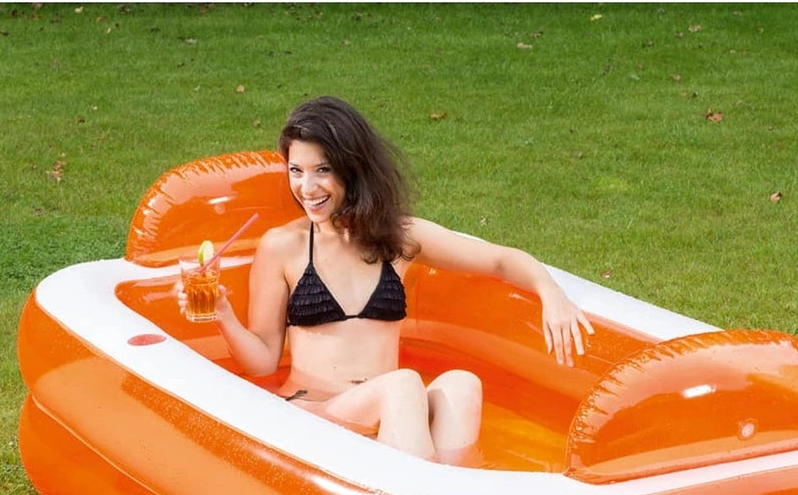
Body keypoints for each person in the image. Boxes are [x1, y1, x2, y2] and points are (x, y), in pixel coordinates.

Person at [180, 96, 594, 463]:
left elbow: (501, 260)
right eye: (296, 170)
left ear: (352, 169)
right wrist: (222, 314)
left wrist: (550, 294)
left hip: (391, 414)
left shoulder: (400, 237)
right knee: (401, 384)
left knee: (462, 385)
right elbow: (263, 362)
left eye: (322, 170)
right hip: (316, 413)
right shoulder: (282, 247)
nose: (307, 187)